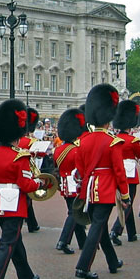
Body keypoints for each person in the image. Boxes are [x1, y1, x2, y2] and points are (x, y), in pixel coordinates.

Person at [0, 99, 41, 279]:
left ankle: (26, 276)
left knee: (15, 241)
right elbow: (26, 185)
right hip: (15, 203)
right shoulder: (20, 157)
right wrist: (40, 184)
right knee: (7, 243)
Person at [74, 84, 129, 279]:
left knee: (101, 226)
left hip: (89, 188)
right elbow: (119, 172)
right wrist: (124, 195)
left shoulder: (83, 141)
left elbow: (80, 168)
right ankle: (83, 266)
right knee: (98, 226)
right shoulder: (112, 141)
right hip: (105, 188)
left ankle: (112, 262)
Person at [109, 101, 140, 245]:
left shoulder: (114, 139)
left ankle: (132, 233)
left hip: (117, 173)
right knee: (128, 203)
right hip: (130, 174)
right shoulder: (133, 140)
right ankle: (115, 230)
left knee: (127, 201)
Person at [53, 108, 87, 254]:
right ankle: (63, 241)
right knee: (73, 213)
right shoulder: (76, 150)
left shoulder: (58, 150)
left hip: (65, 184)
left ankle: (83, 242)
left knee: (74, 212)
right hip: (75, 183)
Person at [17, 107, 44, 233]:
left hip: (15, 172)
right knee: (27, 199)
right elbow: (42, 154)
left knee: (26, 198)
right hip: (27, 171)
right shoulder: (32, 141)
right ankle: (29, 223)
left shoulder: (16, 141)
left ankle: (32, 223)